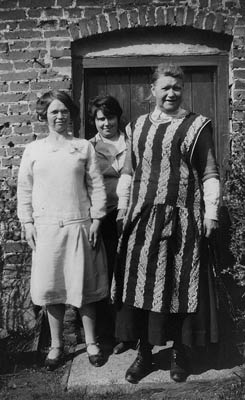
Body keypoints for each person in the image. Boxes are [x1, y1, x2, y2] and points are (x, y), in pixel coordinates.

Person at [112, 64, 220, 383]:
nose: (171, 93)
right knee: (143, 286)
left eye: (176, 87)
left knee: (178, 286)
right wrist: (122, 209)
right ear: (152, 90)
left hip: (183, 219)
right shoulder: (137, 127)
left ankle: (179, 354)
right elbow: (129, 173)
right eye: (165, 87)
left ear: (182, 90)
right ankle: (144, 354)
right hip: (143, 219)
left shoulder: (196, 126)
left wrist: (211, 212)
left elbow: (210, 172)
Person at [17, 90, 108, 370]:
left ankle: (91, 343)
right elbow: (25, 189)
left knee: (85, 288)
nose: (60, 116)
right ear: (44, 114)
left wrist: (96, 220)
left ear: (71, 115)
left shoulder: (82, 147)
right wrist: (27, 223)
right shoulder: (34, 150)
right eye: (54, 111)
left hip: (79, 225)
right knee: (52, 289)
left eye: (64, 111)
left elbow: (96, 185)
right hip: (46, 230)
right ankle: (57, 346)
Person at [88, 95, 135, 354]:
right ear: (95, 121)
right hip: (104, 216)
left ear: (118, 117)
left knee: (131, 272)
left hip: (131, 213)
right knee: (107, 273)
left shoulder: (132, 142)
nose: (106, 123)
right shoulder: (88, 147)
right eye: (100, 118)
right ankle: (111, 333)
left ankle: (133, 333)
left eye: (111, 117)